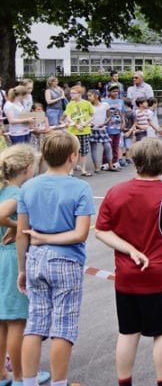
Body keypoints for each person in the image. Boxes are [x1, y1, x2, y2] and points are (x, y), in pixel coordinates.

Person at [94, 138, 162, 386]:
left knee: (128, 333)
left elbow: (101, 231)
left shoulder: (114, 192)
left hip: (127, 277)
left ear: (135, 162)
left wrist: (129, 250)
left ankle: (124, 382)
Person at [16, 131, 95, 386]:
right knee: (63, 325)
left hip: (35, 259)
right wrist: (48, 238)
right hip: (66, 261)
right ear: (73, 157)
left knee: (35, 323)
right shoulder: (80, 187)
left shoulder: (29, 186)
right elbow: (80, 234)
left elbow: (22, 233)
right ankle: (59, 382)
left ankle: (28, 381)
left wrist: (22, 269)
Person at [0, 146, 51, 386]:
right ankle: (20, 375)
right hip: (10, 258)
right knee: (17, 321)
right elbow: (1, 214)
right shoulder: (15, 194)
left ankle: (2, 373)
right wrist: (16, 226)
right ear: (27, 169)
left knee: (2, 320)